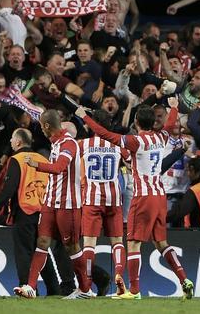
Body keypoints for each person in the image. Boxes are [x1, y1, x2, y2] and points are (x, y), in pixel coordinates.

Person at [75, 97, 194, 300]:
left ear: (136, 122)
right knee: (162, 243)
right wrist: (173, 108)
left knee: (133, 244)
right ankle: (184, 280)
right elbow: (169, 124)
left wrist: (84, 116)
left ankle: (134, 291)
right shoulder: (161, 137)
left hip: (143, 197)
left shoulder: (135, 141)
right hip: (160, 196)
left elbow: (104, 134)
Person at [13, 109, 92, 299]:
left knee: (72, 247)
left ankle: (85, 290)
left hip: (68, 204)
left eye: (41, 125)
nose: (41, 129)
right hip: (50, 202)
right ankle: (30, 287)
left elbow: (59, 168)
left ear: (47, 126)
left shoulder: (69, 144)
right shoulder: (55, 143)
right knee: (42, 242)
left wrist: (36, 165)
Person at [0, 128, 62, 296]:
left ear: (18, 142)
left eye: (12, 139)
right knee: (42, 251)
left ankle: (26, 287)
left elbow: (10, 186)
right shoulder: (42, 159)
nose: (10, 142)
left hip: (25, 210)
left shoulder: (17, 159)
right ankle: (54, 289)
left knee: (24, 252)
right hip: (44, 211)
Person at [78, 109, 128, 296]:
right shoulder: (118, 146)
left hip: (92, 198)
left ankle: (87, 285)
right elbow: (130, 163)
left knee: (89, 244)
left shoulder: (83, 145)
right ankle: (119, 277)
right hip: (114, 198)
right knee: (117, 242)